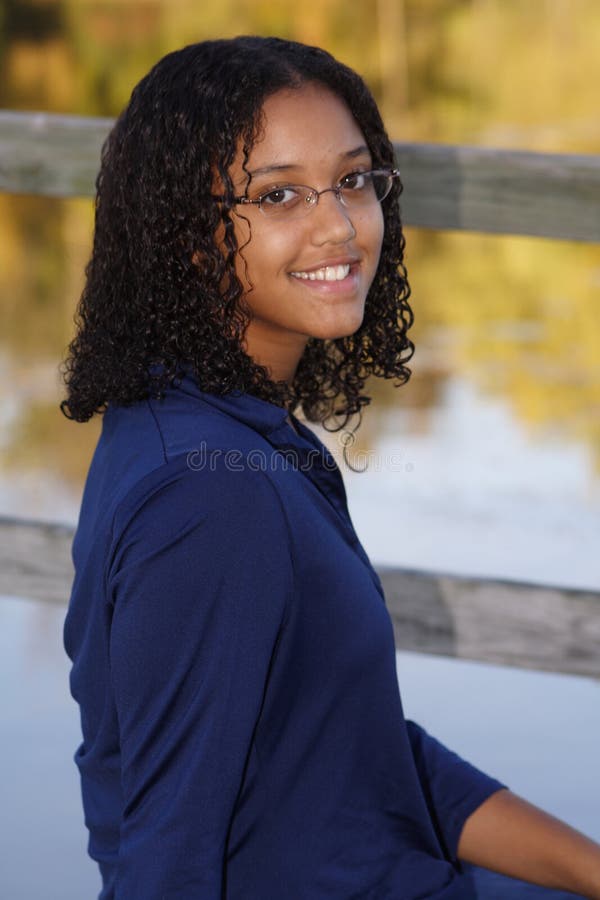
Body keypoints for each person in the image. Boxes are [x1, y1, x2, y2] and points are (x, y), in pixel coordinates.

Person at [61, 36, 600, 900]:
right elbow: (166, 853)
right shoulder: (208, 493)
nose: (341, 225)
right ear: (188, 237)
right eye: (279, 195)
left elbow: (362, 751)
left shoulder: (209, 426)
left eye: (353, 179)